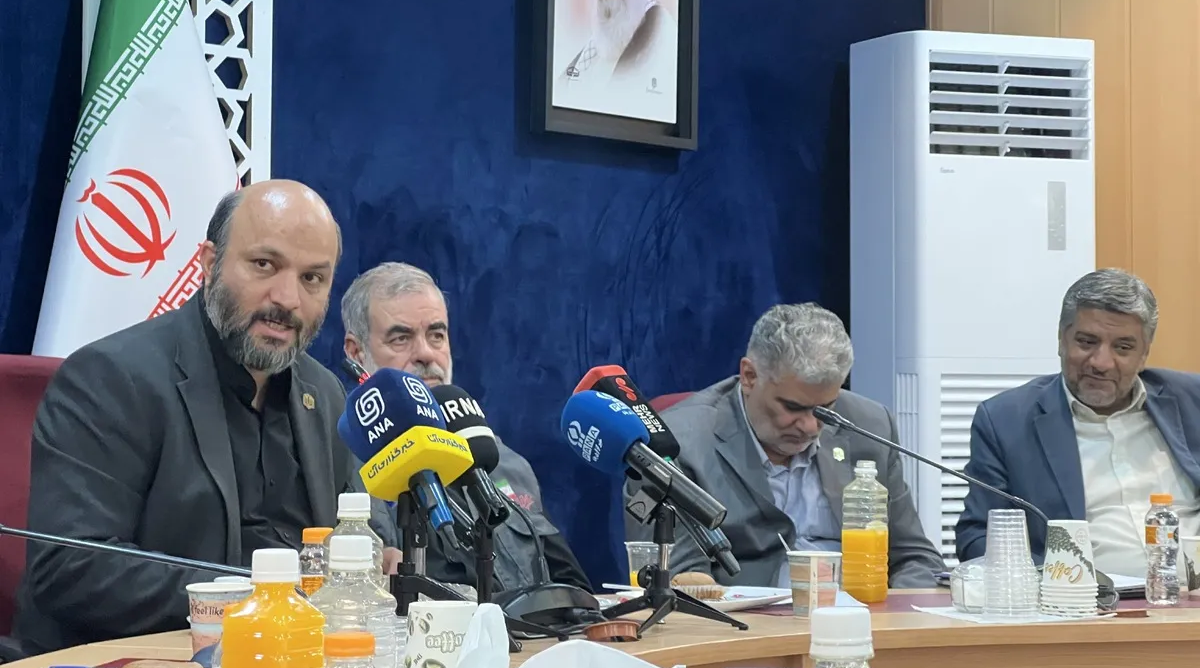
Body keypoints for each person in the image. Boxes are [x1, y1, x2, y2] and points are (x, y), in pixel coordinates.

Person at [14, 181, 394, 655]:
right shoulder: (110, 378)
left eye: (312, 278)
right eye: (264, 264)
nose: (287, 298)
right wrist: (257, 595)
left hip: (292, 660)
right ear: (209, 263)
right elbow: (71, 566)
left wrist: (375, 557)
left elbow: (358, 525)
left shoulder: (325, 392)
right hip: (133, 666)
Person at [637, 303, 945, 589]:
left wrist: (895, 617)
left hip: (861, 614)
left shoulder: (870, 425)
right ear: (749, 376)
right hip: (752, 621)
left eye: (825, 409)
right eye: (793, 407)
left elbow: (915, 558)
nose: (810, 426)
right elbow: (683, 576)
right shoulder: (678, 442)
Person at [341, 262, 591, 592]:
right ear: (356, 353)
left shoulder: (497, 456)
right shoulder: (340, 466)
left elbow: (573, 589)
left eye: (437, 335)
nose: (426, 354)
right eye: (401, 338)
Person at [955, 269, 1200, 575]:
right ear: (1062, 340)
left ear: (1144, 353)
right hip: (1087, 598)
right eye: (1087, 342)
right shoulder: (1007, 420)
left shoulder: (1192, 400)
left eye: (1123, 347)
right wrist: (1055, 580)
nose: (1101, 362)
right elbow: (977, 535)